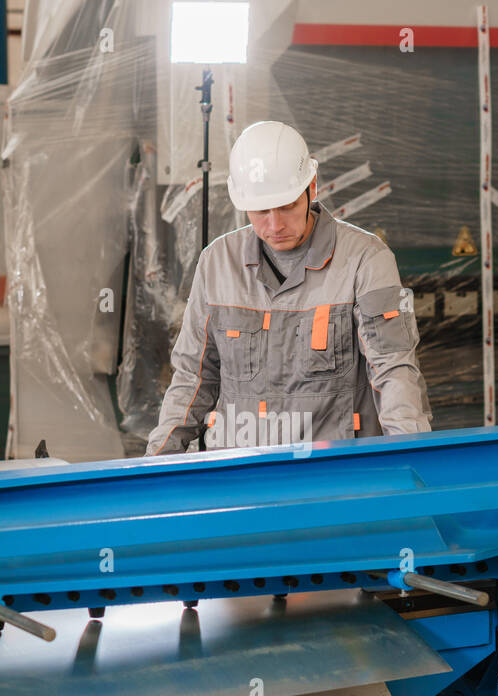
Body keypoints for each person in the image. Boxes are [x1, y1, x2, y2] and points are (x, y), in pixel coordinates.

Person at [145, 121, 430, 455]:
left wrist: (412, 458)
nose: (275, 224)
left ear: (312, 187)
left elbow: (394, 371)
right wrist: (156, 465)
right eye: (261, 210)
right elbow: (192, 377)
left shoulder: (366, 259)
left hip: (335, 475)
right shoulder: (216, 264)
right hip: (242, 471)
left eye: (287, 206)